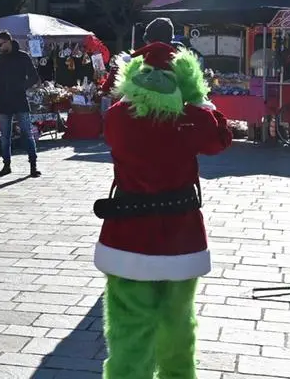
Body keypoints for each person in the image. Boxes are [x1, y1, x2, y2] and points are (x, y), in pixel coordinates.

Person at [95, 41, 232, 379]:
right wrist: (198, 99)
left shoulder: (117, 117)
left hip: (127, 234)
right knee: (177, 323)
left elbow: (116, 127)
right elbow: (221, 138)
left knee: (129, 327)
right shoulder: (193, 119)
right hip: (180, 235)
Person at [0, 31, 41, 178]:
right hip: (4, 100)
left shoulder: (23, 57)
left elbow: (34, 77)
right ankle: (6, 164)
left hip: (19, 99)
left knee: (27, 133)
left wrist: (22, 87)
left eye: (0, 44)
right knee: (5, 135)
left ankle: (33, 165)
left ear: (9, 41)